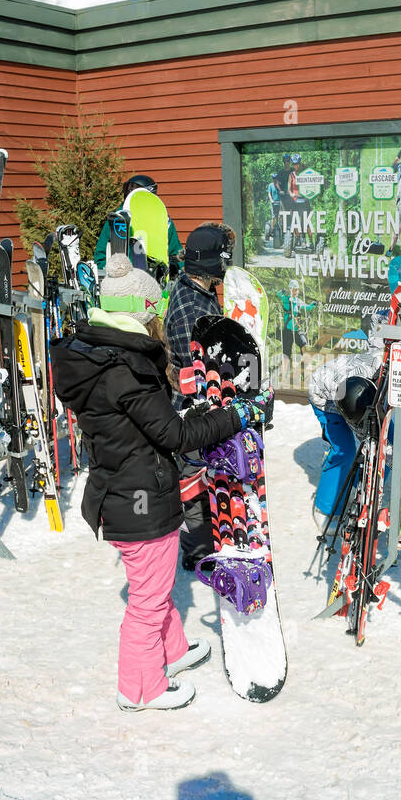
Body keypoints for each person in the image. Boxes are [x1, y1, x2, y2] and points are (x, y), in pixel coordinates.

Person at [51, 307, 268, 711]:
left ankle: (172, 650)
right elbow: (174, 436)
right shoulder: (125, 370)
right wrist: (233, 418)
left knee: (155, 586)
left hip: (127, 492)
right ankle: (139, 689)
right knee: (147, 602)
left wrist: (192, 414)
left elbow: (146, 426)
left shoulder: (101, 362)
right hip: (139, 502)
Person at [163, 224, 232, 571]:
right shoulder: (191, 306)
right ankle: (197, 549)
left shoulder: (200, 292)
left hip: (204, 403)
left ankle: (209, 538)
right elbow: (198, 364)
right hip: (192, 407)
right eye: (223, 257)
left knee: (205, 472)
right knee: (193, 477)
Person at [307, 309, 385, 519]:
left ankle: (365, 484)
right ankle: (327, 507)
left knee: (386, 441)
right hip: (324, 395)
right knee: (345, 451)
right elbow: (360, 423)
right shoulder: (357, 390)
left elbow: (378, 321)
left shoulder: (384, 363)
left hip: (349, 389)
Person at [92, 175, 183, 274]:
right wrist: (106, 271)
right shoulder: (118, 220)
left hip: (154, 279)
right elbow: (101, 253)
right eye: (128, 189)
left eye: (134, 190)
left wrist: (175, 267)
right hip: (122, 280)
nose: (130, 193)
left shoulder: (163, 221)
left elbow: (176, 253)